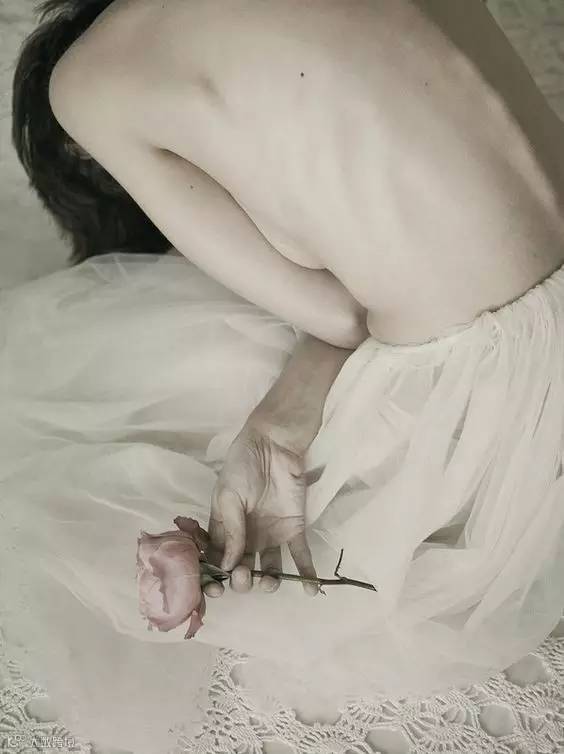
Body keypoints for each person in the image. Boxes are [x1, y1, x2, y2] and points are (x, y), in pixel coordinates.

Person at [5, 0, 564, 751]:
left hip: (493, 404)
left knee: (71, 389)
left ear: (79, 158)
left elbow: (338, 316)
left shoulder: (84, 83)